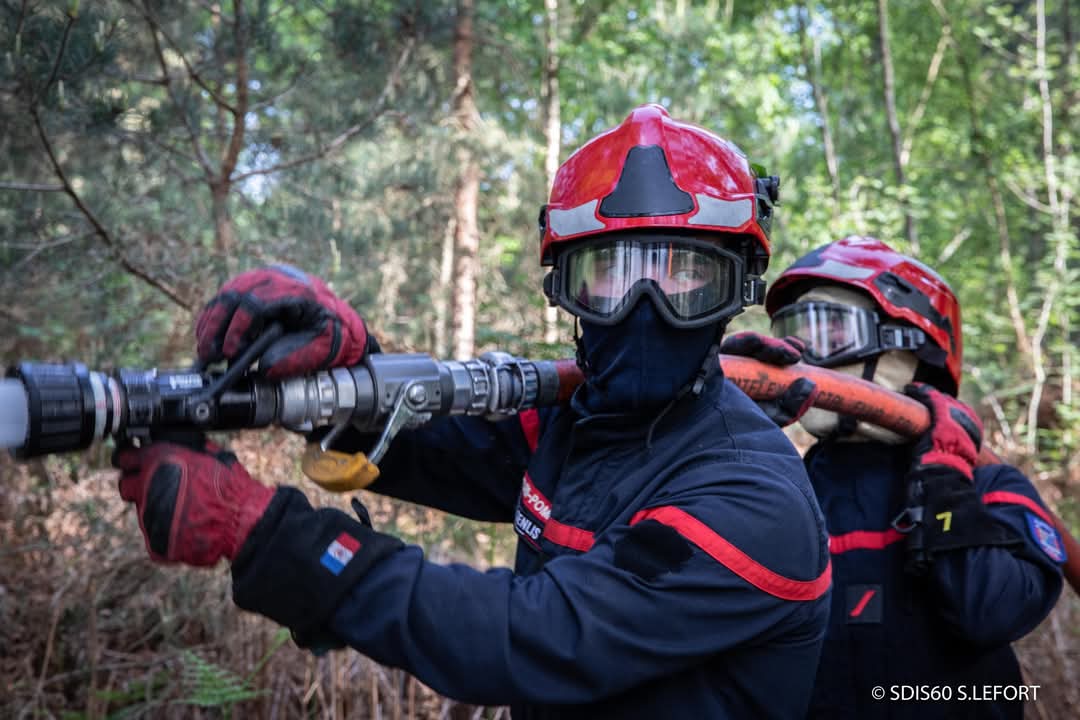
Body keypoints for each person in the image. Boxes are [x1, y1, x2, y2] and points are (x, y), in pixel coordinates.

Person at [114, 105, 832, 719]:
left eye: (684, 275)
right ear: (564, 289)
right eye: (607, 273)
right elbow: (435, 445)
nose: (643, 309)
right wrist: (345, 365)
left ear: (735, 286)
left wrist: (266, 535)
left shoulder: (753, 501)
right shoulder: (582, 422)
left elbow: (529, 636)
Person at [720, 236, 1065, 719]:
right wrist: (726, 435)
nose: (808, 358)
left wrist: (945, 483)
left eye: (831, 332)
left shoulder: (993, 488)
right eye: (795, 337)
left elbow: (991, 613)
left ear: (910, 351)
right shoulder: (785, 491)